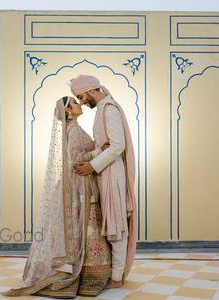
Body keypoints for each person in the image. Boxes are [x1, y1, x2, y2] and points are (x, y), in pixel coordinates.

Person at [1, 96, 111, 298]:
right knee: (85, 230)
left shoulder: (73, 129)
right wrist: (98, 151)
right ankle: (89, 278)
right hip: (80, 187)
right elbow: (76, 161)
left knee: (83, 230)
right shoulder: (74, 130)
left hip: (79, 185)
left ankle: (88, 277)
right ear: (67, 111)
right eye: (75, 103)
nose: (79, 104)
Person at [71, 75, 137, 289]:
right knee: (109, 224)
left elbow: (118, 146)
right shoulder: (101, 109)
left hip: (112, 174)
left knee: (116, 226)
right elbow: (105, 145)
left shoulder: (109, 109)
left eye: (81, 96)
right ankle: (114, 274)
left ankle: (117, 279)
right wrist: (88, 159)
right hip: (104, 173)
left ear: (90, 90)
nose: (81, 102)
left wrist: (92, 166)